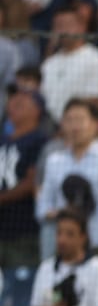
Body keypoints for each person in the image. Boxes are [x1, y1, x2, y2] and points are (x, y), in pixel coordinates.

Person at [36, 100, 98, 260]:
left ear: (94, 124)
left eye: (80, 120)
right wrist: (58, 213)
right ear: (62, 125)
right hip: (61, 247)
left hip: (97, 245)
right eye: (69, 120)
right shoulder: (54, 161)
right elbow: (43, 206)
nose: (74, 127)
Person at [0, 86, 49, 269]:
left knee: (19, 287)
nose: (14, 103)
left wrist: (2, 198)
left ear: (37, 110)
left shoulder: (40, 140)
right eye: (13, 100)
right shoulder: (2, 139)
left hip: (22, 228)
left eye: (22, 101)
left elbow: (32, 182)